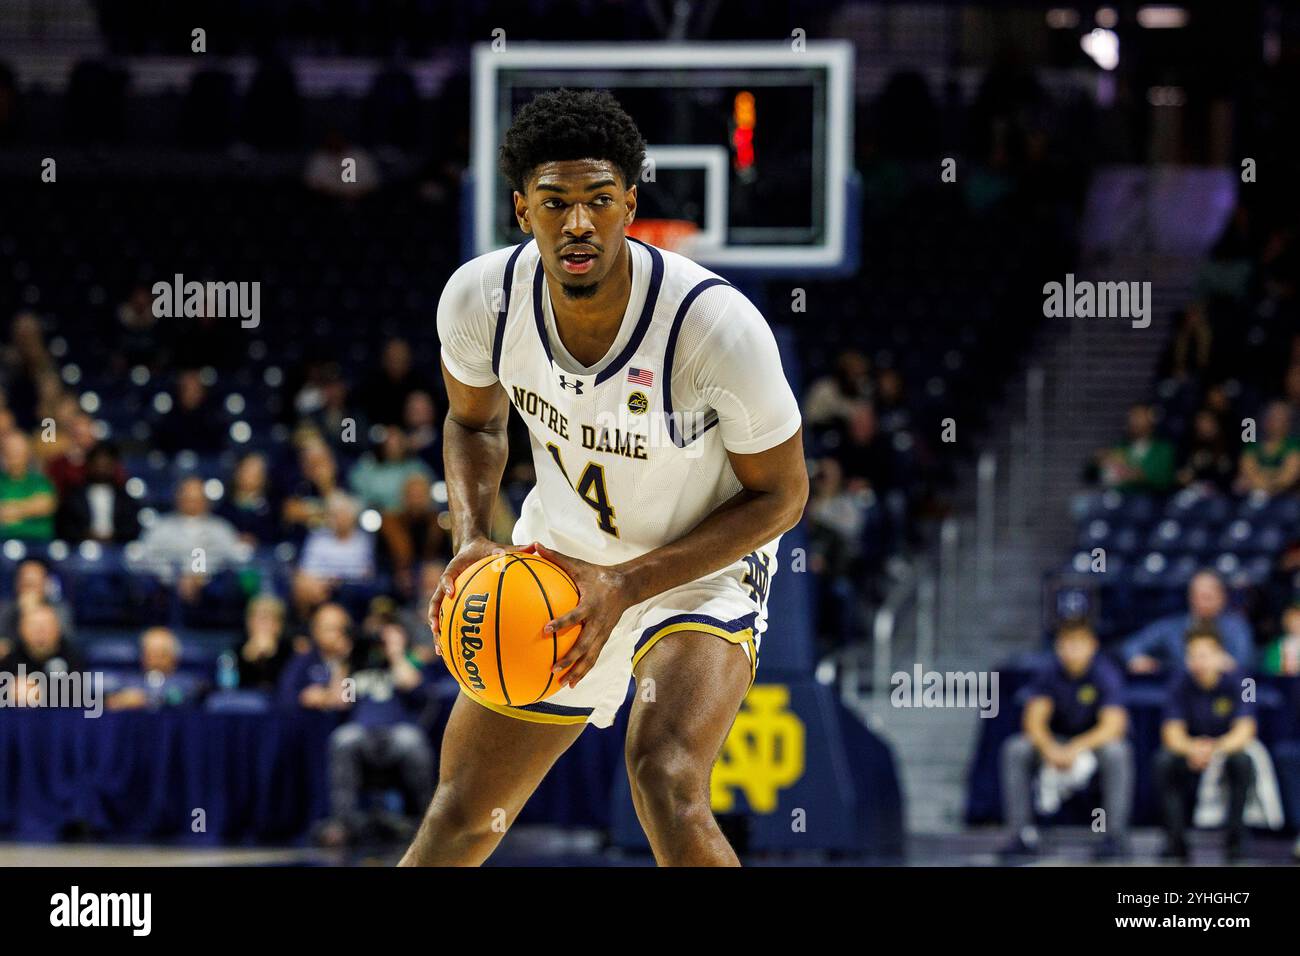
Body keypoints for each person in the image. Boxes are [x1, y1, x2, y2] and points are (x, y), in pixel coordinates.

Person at [399, 89, 807, 867]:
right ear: (523, 209)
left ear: (630, 204)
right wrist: (473, 535)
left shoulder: (713, 329)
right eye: (555, 203)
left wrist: (626, 585)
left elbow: (784, 494)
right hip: (556, 564)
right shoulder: (482, 299)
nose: (577, 223)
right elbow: (474, 422)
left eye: (597, 200)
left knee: (665, 777)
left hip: (697, 574)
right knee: (459, 814)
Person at [999, 622, 1132, 860]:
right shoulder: (1049, 673)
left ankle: (1114, 836)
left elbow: (1113, 726)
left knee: (1117, 751)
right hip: (1056, 741)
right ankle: (1020, 836)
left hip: (1091, 742)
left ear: (1093, 646)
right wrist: (1050, 747)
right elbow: (1033, 720)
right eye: (1066, 645)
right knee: (1016, 748)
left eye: (1079, 644)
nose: (1072, 651)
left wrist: (1076, 747)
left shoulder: (1105, 673)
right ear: (1058, 648)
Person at [1155, 628, 1257, 860]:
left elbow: (1246, 729)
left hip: (1226, 747)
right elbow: (1171, 733)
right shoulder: (1178, 682)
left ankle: (1235, 841)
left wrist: (1215, 748)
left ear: (1220, 655)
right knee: (1164, 761)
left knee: (1242, 761)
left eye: (1205, 655)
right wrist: (1192, 748)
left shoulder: (1244, 682)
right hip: (1190, 750)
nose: (1198, 662)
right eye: (1192, 655)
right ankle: (1176, 842)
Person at [132, 476, 248, 605]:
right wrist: (174, 577)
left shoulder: (221, 528)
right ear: (178, 499)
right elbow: (143, 558)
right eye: (188, 498)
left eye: (197, 499)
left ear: (206, 501)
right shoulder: (160, 527)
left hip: (212, 592)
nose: (192, 503)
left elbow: (236, 558)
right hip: (166, 590)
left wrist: (201, 576)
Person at [1121, 570, 1254, 674]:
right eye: (1198, 596)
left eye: (1208, 597)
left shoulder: (1236, 627)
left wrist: (1225, 664)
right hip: (1182, 690)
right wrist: (1137, 659)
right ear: (1190, 598)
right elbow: (1130, 647)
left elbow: (1245, 662)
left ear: (1221, 597)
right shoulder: (1172, 627)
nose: (1203, 603)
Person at [291, 491, 375, 618]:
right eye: (335, 515)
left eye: (343, 514)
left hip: (350, 588)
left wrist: (336, 581)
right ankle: (304, 626)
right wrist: (320, 583)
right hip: (321, 586)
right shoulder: (318, 538)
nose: (339, 519)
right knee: (301, 585)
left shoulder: (363, 540)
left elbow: (365, 573)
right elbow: (306, 570)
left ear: (352, 516)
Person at [55, 440, 141, 543]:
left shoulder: (124, 497)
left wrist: (114, 536)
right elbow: (64, 527)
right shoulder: (74, 495)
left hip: (117, 548)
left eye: (106, 464)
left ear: (114, 466)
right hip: (80, 549)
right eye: (98, 463)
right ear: (89, 464)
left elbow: (132, 527)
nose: (101, 468)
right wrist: (85, 535)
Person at [105, 627, 207, 710]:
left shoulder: (187, 682)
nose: (155, 660)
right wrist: (120, 700)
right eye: (150, 654)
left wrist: (145, 700)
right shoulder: (129, 681)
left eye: (161, 654)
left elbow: (181, 699)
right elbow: (112, 702)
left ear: (174, 657)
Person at [1095, 403, 1175, 493]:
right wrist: (1097, 462)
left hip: (1147, 497)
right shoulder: (1121, 446)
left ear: (1151, 420)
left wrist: (1138, 475)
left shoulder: (1163, 449)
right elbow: (1101, 476)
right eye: (1132, 416)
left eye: (1139, 417)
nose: (1133, 421)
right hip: (1119, 495)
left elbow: (1165, 480)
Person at [1235, 400, 1300, 497]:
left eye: (1279, 418)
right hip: (1254, 496)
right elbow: (1247, 471)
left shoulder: (1294, 445)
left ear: (1288, 422)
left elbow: (1288, 478)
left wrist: (1263, 483)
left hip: (1284, 497)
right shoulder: (1252, 444)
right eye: (1271, 417)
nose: (1273, 422)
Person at [0, 431, 56, 540]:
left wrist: (11, 510)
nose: (13, 457)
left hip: (39, 543)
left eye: (17, 452)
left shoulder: (40, 481)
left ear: (28, 454)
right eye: (8, 452)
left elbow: (45, 506)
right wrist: (29, 507)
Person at [236, 594, 297, 691]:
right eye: (258, 619)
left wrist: (270, 655)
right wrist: (248, 658)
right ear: (249, 622)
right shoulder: (237, 650)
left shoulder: (290, 650)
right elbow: (233, 687)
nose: (262, 625)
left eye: (268, 619)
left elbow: (287, 685)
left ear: (279, 625)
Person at [1260, 603, 1300, 676]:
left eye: (1297, 620)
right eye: (1292, 621)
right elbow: (1269, 670)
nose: (1295, 624)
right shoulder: (1276, 645)